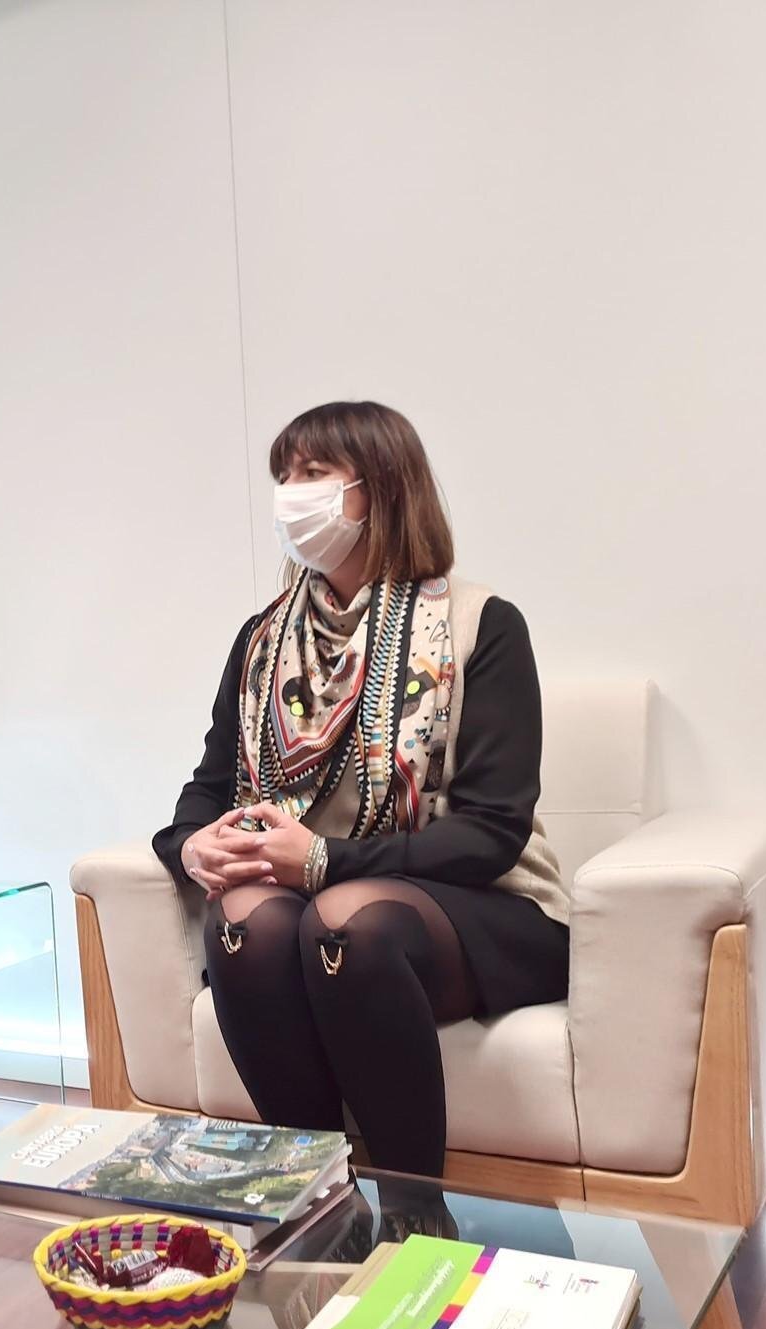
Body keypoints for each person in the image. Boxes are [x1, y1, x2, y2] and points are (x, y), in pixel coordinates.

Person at [152, 401, 569, 1222]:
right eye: (283, 474)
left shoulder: (482, 625)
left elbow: (492, 832)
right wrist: (190, 847)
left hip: (481, 906)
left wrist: (322, 862)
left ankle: (418, 1218)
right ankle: (322, 1210)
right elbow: (210, 784)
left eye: (313, 473)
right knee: (244, 921)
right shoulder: (263, 641)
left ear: (380, 488)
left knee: (345, 922)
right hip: (318, 905)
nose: (290, 493)